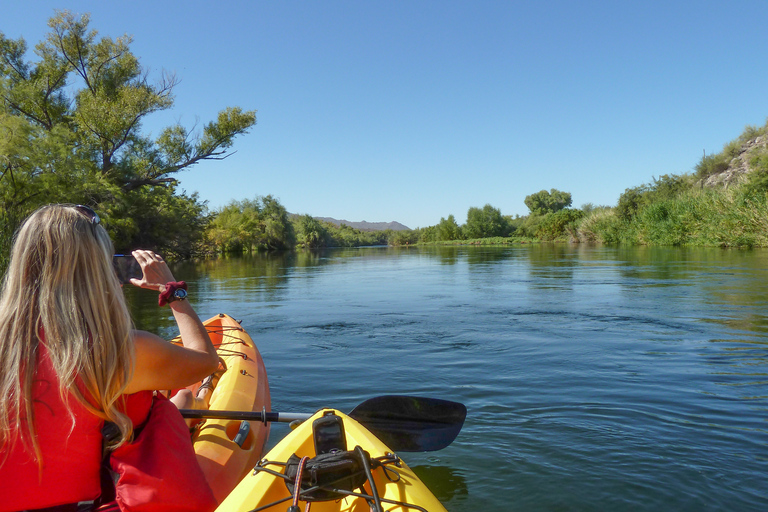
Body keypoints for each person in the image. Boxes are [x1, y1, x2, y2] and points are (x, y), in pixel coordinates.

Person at [0, 204, 219, 511]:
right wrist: (172, 292)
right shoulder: (120, 351)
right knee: (170, 403)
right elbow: (206, 361)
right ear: (99, 269)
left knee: (175, 402)